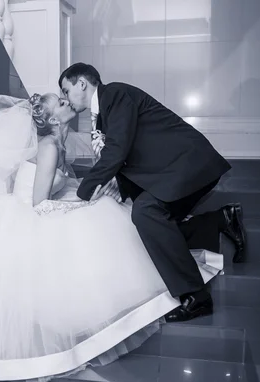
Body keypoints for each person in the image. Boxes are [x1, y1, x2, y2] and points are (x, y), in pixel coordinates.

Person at [0, 94, 223, 382]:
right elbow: (38, 203)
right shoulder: (48, 147)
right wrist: (80, 204)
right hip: (29, 215)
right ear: (51, 120)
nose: (67, 103)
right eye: (60, 104)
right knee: (98, 219)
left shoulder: (59, 142)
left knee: (107, 213)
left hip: (41, 205)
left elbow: (57, 187)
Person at [59, 63, 246, 322]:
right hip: (172, 170)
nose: (65, 98)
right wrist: (119, 189)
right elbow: (129, 150)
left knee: (146, 213)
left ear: (81, 83)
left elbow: (117, 150)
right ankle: (222, 220)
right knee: (153, 225)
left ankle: (196, 296)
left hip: (186, 164)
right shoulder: (104, 110)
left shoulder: (114, 94)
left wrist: (83, 192)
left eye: (66, 91)